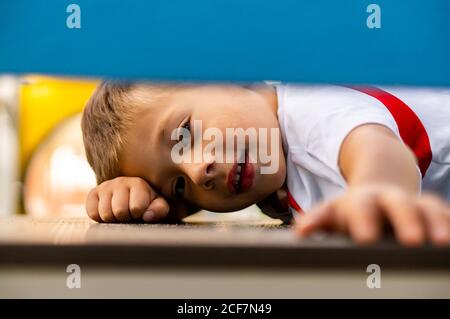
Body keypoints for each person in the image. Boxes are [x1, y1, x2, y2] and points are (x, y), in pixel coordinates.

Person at [81, 81, 450, 246]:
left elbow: (376, 149)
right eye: (179, 186)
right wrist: (142, 202)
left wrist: (376, 191)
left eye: (185, 134)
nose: (197, 173)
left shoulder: (308, 109)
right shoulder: (273, 178)